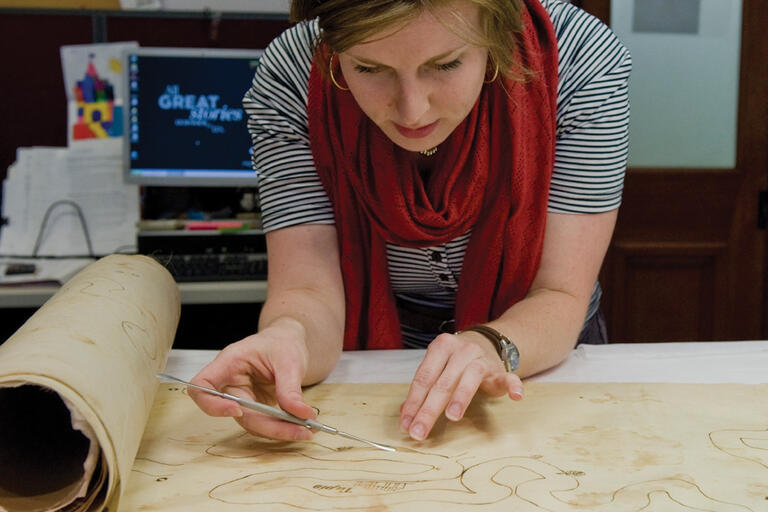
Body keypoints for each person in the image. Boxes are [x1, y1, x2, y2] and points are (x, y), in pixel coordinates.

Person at [189, 0, 631, 443]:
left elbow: (559, 293)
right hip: (372, 342)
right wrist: (289, 337)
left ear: (496, 37)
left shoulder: (579, 58)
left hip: (535, 346)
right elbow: (307, 291)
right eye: (368, 68)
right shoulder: (294, 74)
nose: (411, 111)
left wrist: (492, 347)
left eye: (446, 64)